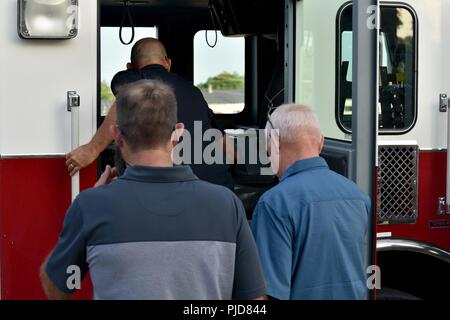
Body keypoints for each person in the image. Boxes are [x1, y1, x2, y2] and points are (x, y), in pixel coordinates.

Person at [40, 80, 266, 300]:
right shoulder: (226, 203)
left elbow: (57, 287)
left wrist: (92, 201)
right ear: (178, 132)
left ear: (117, 135)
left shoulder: (91, 205)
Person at [66, 37, 233, 189]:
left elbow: (122, 103)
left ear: (130, 68)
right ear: (168, 63)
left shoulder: (130, 81)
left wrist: (91, 150)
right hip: (217, 185)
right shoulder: (194, 91)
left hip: (177, 189)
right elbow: (220, 140)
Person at [251, 104, 370, 300]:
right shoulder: (358, 196)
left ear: (273, 143)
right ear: (321, 142)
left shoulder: (274, 203)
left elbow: (269, 293)